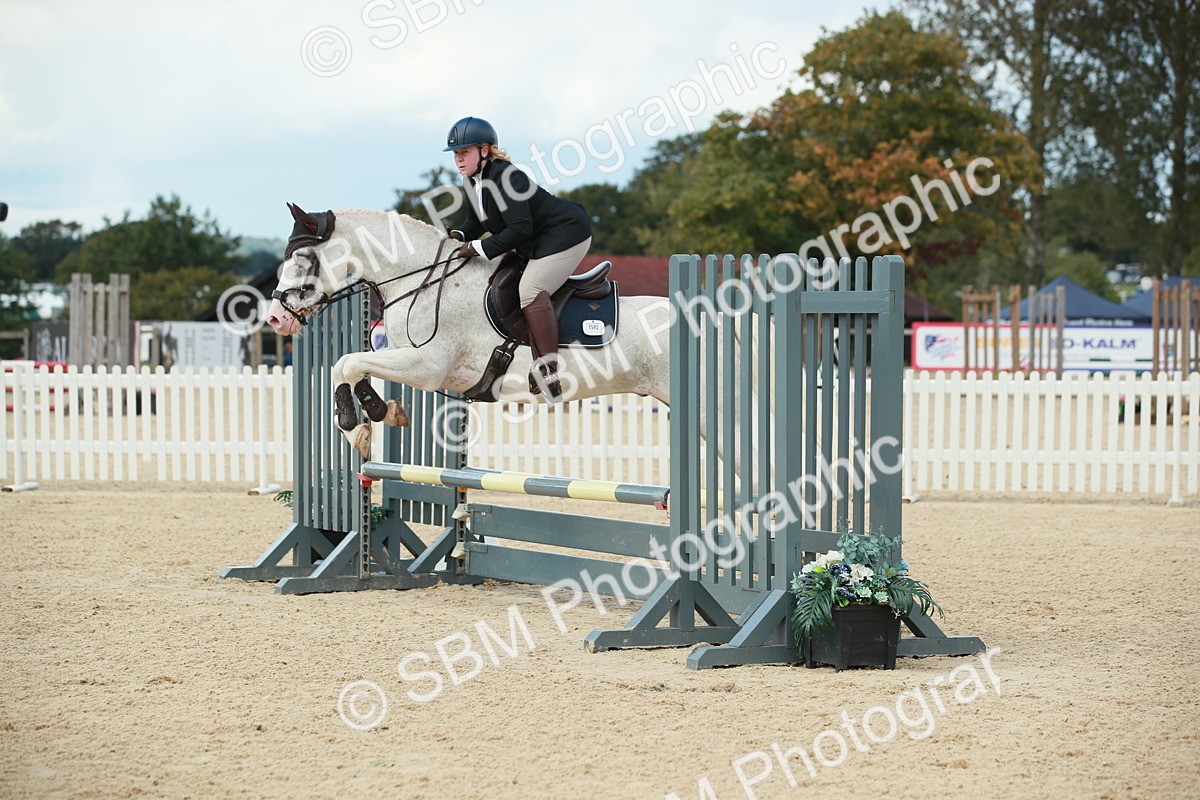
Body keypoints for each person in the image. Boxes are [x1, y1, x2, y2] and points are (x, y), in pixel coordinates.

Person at [444, 116, 592, 401]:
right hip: (537, 239)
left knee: (530, 290)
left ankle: (548, 370)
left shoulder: (507, 177)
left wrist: (478, 249)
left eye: (465, 152)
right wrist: (458, 236)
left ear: (484, 151)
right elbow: (477, 222)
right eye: (456, 154)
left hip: (567, 234)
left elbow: (519, 229)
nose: (459, 160)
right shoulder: (473, 181)